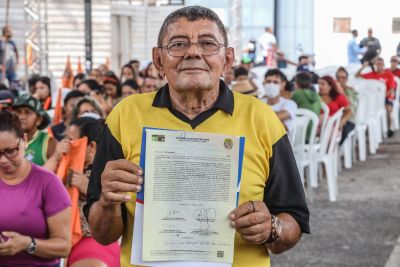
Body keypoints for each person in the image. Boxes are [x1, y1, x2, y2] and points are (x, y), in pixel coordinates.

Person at [84, 6, 309, 267]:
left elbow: (293, 221)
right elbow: (102, 235)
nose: (193, 52)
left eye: (207, 43)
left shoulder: (262, 119)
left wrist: (272, 228)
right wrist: (108, 202)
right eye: (178, 44)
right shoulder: (125, 116)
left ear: (227, 59)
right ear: (158, 60)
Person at [0, 110, 71, 267]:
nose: (3, 160)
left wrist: (28, 244)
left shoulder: (48, 183)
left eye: (11, 151)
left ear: (24, 141)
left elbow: (64, 246)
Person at [63, 117, 120, 267]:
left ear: (91, 147)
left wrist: (88, 187)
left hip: (94, 241)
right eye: (65, 139)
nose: (65, 145)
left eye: (72, 141)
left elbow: (118, 209)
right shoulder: (62, 166)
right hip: (62, 242)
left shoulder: (108, 172)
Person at [12, 95, 57, 166]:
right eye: (18, 112)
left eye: (27, 112)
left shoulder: (49, 143)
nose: (21, 117)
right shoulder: (7, 140)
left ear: (39, 120)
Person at [356, 57, 396, 137]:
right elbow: (357, 75)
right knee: (364, 108)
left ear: (384, 65)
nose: (379, 66)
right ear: (375, 65)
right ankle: (367, 129)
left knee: (388, 108)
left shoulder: (388, 74)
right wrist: (364, 66)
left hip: (385, 98)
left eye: (381, 64)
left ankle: (389, 128)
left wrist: (381, 98)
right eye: (377, 64)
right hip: (371, 100)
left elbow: (391, 89)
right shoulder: (372, 74)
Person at [318, 75, 354, 145]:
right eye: (319, 84)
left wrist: (342, 121)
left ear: (330, 86)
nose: (320, 86)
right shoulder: (316, 97)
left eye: (323, 84)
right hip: (319, 126)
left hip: (334, 126)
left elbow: (349, 111)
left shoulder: (338, 97)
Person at [262, 69, 297, 136]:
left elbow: (281, 115)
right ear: (264, 84)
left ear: (283, 85)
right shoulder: (260, 102)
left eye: (275, 82)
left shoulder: (290, 104)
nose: (271, 85)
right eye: (268, 81)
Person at [292, 72, 322, 140]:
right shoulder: (317, 96)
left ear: (297, 83)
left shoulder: (296, 94)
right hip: (313, 133)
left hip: (300, 134)